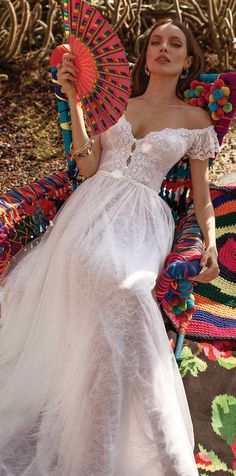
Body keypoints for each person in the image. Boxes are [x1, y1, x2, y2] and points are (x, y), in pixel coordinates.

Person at [0, 17, 220, 476]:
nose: (163, 48)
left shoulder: (197, 121)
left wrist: (211, 245)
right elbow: (86, 167)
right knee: (103, 279)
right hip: (92, 207)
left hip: (143, 222)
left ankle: (139, 444)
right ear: (144, 56)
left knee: (131, 292)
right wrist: (77, 103)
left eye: (174, 43)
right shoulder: (116, 103)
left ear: (187, 60)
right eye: (155, 41)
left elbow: (202, 200)